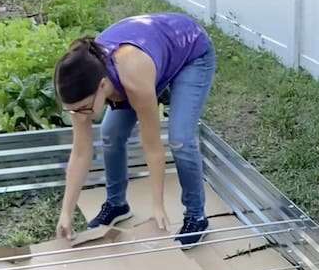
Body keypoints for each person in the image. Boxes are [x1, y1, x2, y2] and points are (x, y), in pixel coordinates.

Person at [53, 13, 216, 248]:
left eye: (82, 109)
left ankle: (196, 216)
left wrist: (157, 206)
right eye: (72, 111)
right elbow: (80, 153)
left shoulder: (134, 77)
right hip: (149, 55)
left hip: (190, 52)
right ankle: (117, 204)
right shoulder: (82, 92)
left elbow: (153, 147)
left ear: (102, 87)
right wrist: (66, 212)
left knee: (180, 139)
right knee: (110, 133)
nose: (78, 116)